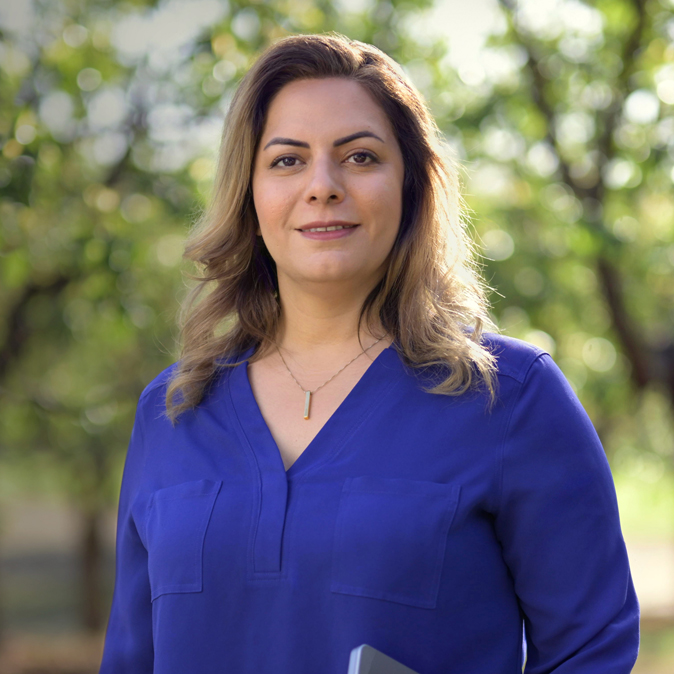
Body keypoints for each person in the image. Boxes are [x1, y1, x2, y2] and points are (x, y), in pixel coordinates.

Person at [99, 33, 639, 674]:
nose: (322, 186)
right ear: (249, 193)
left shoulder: (510, 396)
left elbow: (591, 654)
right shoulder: (171, 413)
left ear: (411, 183)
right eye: (286, 161)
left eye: (359, 157)